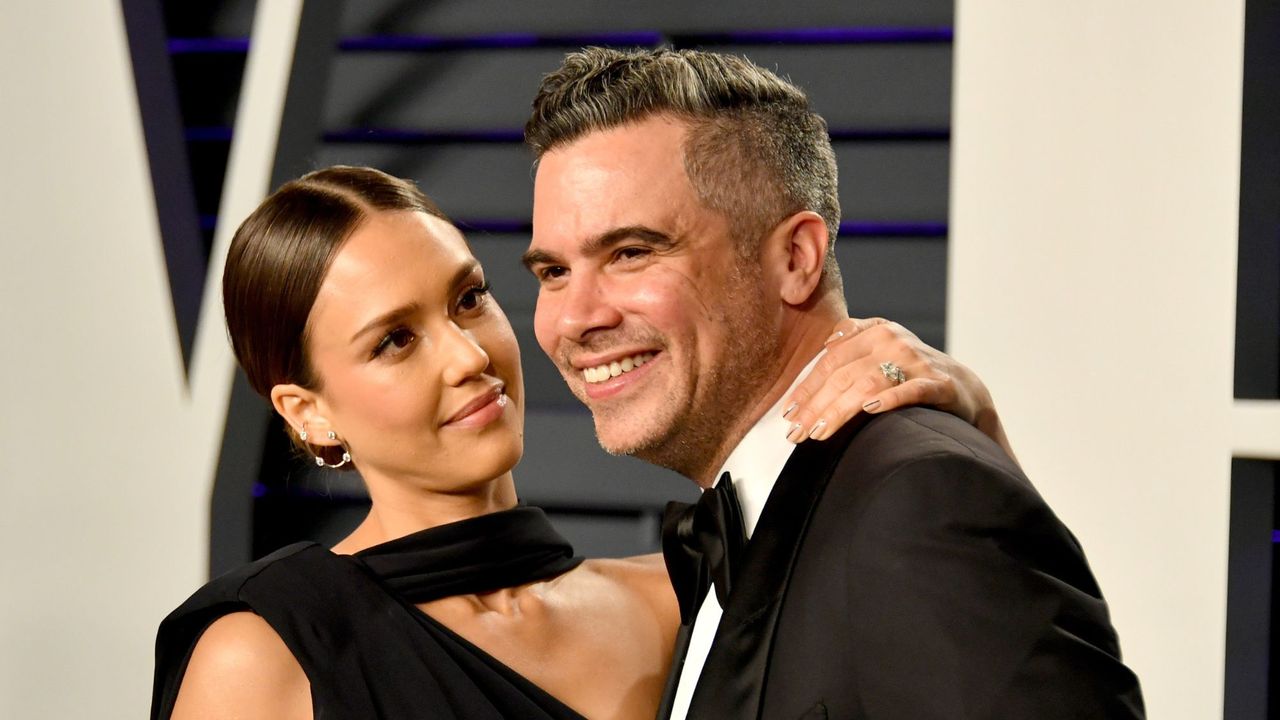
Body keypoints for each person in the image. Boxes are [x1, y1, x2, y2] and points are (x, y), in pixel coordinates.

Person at [150, 166, 1010, 719]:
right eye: (395, 341)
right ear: (308, 413)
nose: (469, 355)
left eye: (468, 299)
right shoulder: (267, 653)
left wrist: (969, 418)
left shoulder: (686, 595)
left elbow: (983, 654)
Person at [522, 47, 1145, 718]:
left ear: (796, 257)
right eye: (553, 272)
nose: (576, 318)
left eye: (631, 253)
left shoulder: (918, 501)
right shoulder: (763, 517)